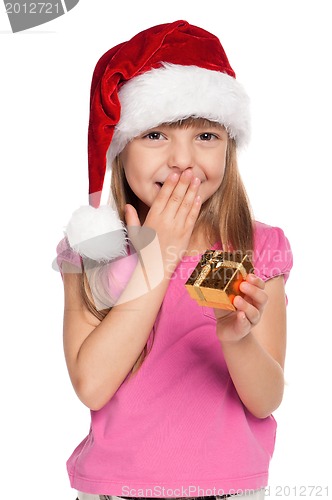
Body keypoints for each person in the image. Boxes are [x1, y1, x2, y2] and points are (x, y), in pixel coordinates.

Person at [56, 20, 293, 500]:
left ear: (230, 146)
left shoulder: (255, 246)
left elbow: (266, 400)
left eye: (206, 136)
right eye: (156, 136)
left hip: (231, 490)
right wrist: (157, 256)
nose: (184, 160)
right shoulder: (93, 251)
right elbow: (92, 385)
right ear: (120, 151)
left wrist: (237, 339)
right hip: (116, 490)